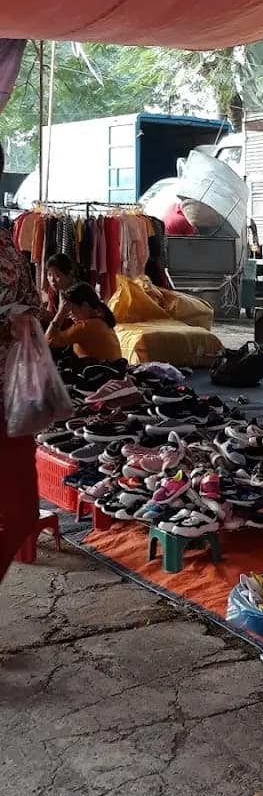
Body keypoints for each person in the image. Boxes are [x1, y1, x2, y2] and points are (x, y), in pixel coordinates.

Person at [0, 143, 41, 580]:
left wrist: (27, 317)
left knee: (23, 512)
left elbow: (32, 301)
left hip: (12, 397)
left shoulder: (6, 241)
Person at [46, 283, 123, 362]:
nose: (69, 315)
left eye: (71, 309)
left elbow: (48, 342)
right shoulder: (102, 322)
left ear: (85, 306)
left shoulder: (86, 327)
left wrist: (61, 312)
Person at [43, 252, 79, 326]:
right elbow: (52, 314)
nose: (52, 280)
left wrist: (53, 317)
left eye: (57, 275)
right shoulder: (52, 290)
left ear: (69, 275)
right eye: (49, 275)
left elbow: (78, 325)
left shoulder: (80, 293)